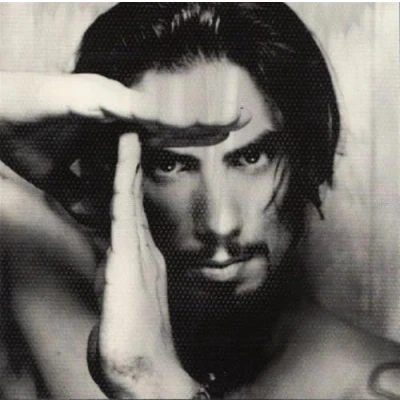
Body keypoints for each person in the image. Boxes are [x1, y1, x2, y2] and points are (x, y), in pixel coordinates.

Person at [0, 3, 399, 399]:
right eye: (170, 164)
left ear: (306, 162)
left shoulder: (377, 388)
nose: (220, 223)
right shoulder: (40, 291)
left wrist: (148, 382)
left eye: (251, 158)